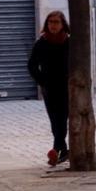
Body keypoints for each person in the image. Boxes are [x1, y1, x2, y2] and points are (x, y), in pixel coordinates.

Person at [27, 10, 70, 166]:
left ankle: (57, 150)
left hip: (67, 87)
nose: (53, 25)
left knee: (62, 118)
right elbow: (31, 65)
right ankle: (61, 150)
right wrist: (42, 81)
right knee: (54, 120)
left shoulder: (68, 42)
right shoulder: (41, 43)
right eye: (50, 22)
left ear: (62, 24)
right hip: (49, 88)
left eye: (56, 22)